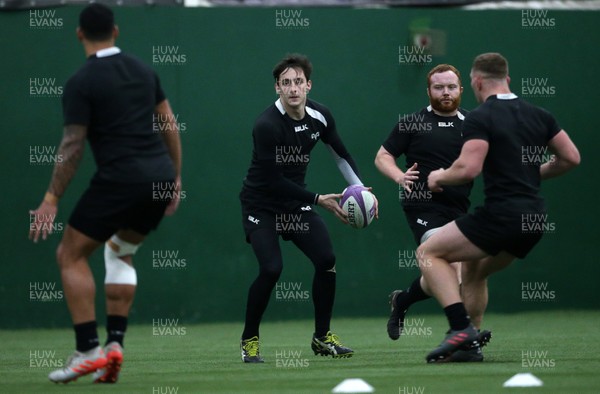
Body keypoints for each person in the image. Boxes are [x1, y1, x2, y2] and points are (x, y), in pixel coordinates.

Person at [28, 3, 182, 383]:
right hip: (157, 177)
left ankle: (87, 349)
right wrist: (174, 179)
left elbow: (72, 146)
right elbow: (169, 123)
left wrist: (51, 199)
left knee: (70, 253)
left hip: (120, 181)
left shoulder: (81, 81)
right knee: (120, 252)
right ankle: (115, 346)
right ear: (115, 31)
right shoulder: (144, 71)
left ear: (79, 34)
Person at [420, 52, 580, 363]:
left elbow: (468, 169)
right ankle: (469, 347)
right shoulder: (540, 115)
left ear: (477, 82)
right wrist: (534, 172)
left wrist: (438, 175)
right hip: (534, 220)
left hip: (501, 215)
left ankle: (459, 328)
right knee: (475, 270)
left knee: (429, 252)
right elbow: (571, 157)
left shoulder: (481, 116)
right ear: (507, 79)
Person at [239, 53, 376, 363]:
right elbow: (273, 180)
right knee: (272, 268)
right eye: (286, 83)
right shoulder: (266, 125)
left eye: (298, 82)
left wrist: (362, 190)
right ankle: (249, 340)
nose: (293, 89)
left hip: (295, 204)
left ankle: (322, 337)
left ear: (308, 85)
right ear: (277, 88)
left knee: (326, 259)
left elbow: (341, 156)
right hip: (261, 205)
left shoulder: (320, 115)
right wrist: (318, 200)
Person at [374, 64, 489, 362]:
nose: (446, 92)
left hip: (458, 209)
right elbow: (382, 156)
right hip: (422, 207)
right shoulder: (413, 122)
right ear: (429, 91)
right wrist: (400, 177)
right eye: (439, 87)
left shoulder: (474, 124)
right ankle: (464, 335)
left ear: (462, 89)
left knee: (444, 272)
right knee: (456, 268)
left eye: (451, 86)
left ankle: (403, 300)